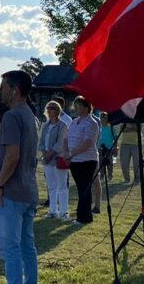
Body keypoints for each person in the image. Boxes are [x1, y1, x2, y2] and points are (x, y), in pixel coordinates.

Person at [0, 70, 40, 284]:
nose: (0, 90)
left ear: (15, 90)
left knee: (10, 249)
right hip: (29, 190)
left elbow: (12, 156)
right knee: (26, 246)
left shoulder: (12, 116)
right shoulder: (30, 115)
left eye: (4, 86)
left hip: (12, 192)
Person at [63, 96, 99, 225]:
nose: (76, 108)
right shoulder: (74, 122)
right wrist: (66, 153)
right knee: (80, 188)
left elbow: (88, 142)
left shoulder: (91, 123)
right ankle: (82, 215)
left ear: (86, 107)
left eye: (79, 105)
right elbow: (66, 138)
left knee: (85, 188)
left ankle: (84, 217)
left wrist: (71, 154)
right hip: (74, 160)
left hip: (87, 160)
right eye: (75, 105)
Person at [39, 100, 70, 220]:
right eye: (48, 108)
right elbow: (41, 142)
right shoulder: (46, 125)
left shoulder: (63, 125)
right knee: (51, 186)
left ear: (57, 110)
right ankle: (53, 211)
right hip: (47, 160)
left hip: (58, 158)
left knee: (62, 186)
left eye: (52, 108)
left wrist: (51, 153)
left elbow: (61, 142)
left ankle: (64, 212)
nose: (49, 110)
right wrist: (44, 153)